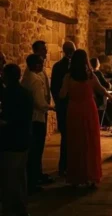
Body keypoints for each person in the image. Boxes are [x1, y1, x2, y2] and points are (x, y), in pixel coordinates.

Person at [59, 49, 110, 187]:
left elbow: (62, 94)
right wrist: (111, 97)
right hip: (89, 110)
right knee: (90, 142)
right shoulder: (90, 75)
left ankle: (77, 177)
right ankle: (91, 176)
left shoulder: (68, 77)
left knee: (75, 142)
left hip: (74, 110)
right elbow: (101, 89)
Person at [2, 64, 33, 214]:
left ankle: (14, 208)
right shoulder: (26, 93)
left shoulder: (8, 93)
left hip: (11, 139)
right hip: (24, 138)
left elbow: (8, 118)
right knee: (20, 175)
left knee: (10, 177)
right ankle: (22, 206)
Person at [22, 54, 49, 192]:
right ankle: (33, 182)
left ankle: (31, 180)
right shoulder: (36, 80)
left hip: (29, 118)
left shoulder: (26, 78)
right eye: (41, 63)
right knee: (36, 151)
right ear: (36, 65)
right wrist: (50, 107)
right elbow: (39, 102)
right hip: (37, 118)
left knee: (32, 152)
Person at [28, 41, 53, 187]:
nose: (46, 51)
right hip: (37, 114)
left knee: (39, 146)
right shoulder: (33, 74)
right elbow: (38, 99)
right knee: (36, 146)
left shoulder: (39, 70)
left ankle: (38, 173)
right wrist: (50, 107)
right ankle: (34, 176)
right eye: (43, 49)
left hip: (42, 112)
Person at [50, 41, 74, 177]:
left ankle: (65, 165)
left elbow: (54, 88)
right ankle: (67, 165)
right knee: (68, 137)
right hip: (68, 105)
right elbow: (55, 87)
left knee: (67, 137)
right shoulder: (63, 67)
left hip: (66, 105)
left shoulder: (58, 66)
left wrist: (59, 103)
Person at [90, 58, 111, 126]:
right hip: (98, 98)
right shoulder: (98, 73)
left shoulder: (89, 73)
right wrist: (109, 84)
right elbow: (107, 85)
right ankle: (106, 123)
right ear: (97, 64)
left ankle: (106, 122)